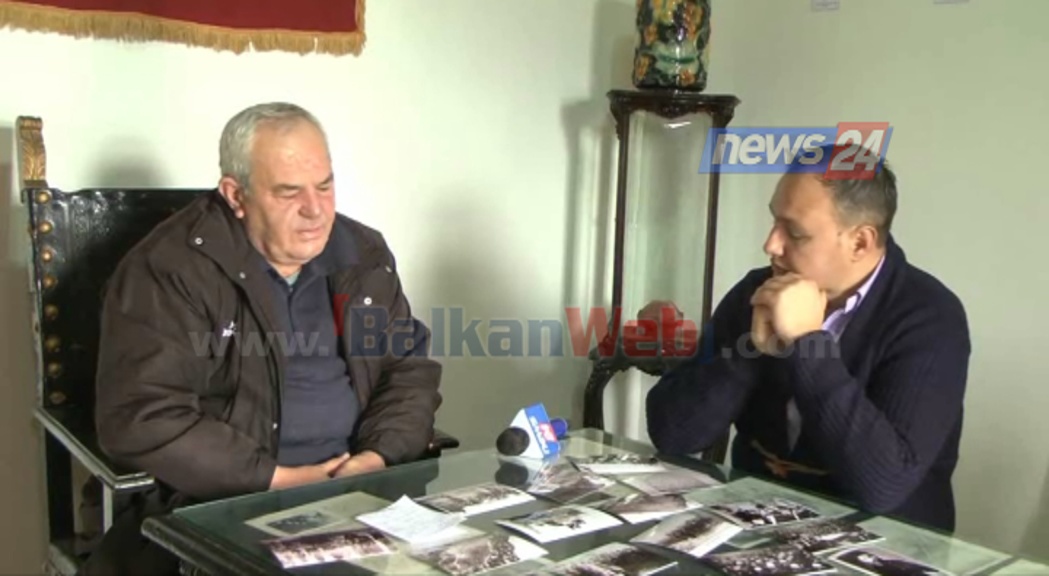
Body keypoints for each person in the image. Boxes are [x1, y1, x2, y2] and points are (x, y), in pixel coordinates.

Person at [86, 102, 442, 574]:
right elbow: (141, 414)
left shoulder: (363, 253)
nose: (315, 210)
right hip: (227, 503)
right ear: (236, 195)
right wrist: (275, 478)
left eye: (325, 186)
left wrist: (379, 456)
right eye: (289, 192)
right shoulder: (170, 269)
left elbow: (407, 370)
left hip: (362, 491)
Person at [642, 145, 970, 533]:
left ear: (860, 242)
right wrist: (750, 351)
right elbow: (672, 434)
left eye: (795, 233)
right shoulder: (759, 289)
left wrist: (808, 342)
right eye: (774, 221)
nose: (771, 244)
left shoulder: (931, 318)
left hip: (885, 542)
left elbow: (882, 487)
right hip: (756, 525)